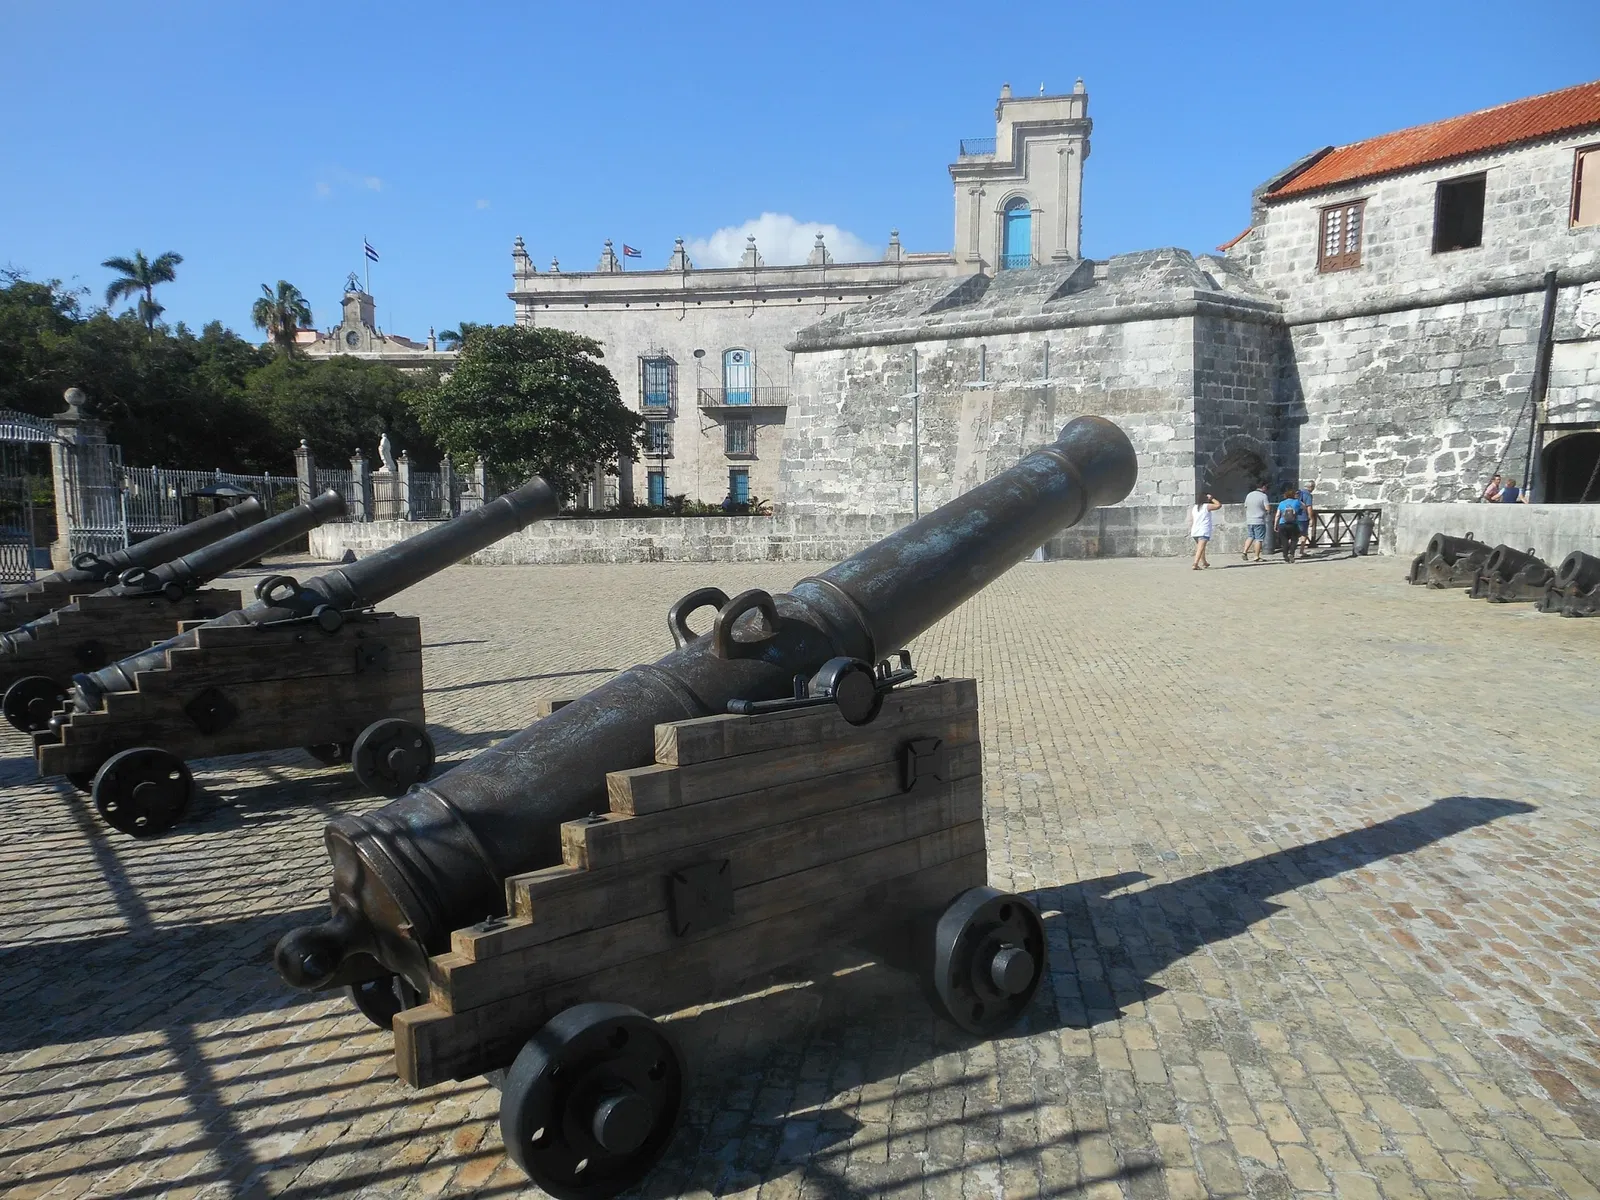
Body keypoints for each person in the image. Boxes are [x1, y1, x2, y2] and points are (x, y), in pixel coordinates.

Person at [1190, 491, 1222, 570]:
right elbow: (1218, 505)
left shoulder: (1195, 507)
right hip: (1203, 530)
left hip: (1195, 530)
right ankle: (1195, 563)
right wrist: (1212, 498)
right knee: (1200, 548)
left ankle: (1204, 562)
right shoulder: (1206, 506)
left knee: (1201, 548)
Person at [1276, 487, 1306, 563]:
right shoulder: (1297, 502)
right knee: (1294, 540)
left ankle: (1285, 556)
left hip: (1282, 523)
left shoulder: (1281, 503)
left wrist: (1275, 524)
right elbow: (1304, 507)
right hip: (1293, 524)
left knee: (1284, 540)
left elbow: (1277, 515)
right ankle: (1291, 554)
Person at [1242, 481, 1269, 562]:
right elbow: (1268, 508)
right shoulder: (1263, 496)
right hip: (1259, 520)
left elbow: (1245, 506)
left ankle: (1244, 552)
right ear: (1263, 487)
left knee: (1250, 536)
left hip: (1250, 520)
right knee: (1259, 539)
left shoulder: (1249, 495)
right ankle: (1256, 556)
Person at [1297, 481, 1316, 549]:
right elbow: (1309, 507)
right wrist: (1311, 518)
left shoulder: (1297, 493)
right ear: (1310, 487)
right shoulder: (1307, 495)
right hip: (1303, 517)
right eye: (1313, 487)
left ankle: (1290, 550)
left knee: (1293, 535)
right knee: (1304, 534)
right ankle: (1301, 552)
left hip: (1294, 517)